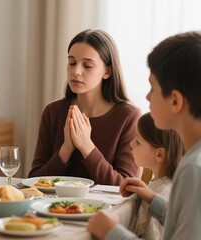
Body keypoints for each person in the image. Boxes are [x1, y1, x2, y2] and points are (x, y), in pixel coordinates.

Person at [87, 31, 201, 240]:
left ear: (175, 101)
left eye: (153, 88)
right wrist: (152, 198)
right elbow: (190, 221)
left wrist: (111, 233)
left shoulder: (196, 169)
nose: (147, 96)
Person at [28, 29, 141, 185]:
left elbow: (127, 187)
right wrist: (66, 149)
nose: (76, 71)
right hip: (54, 208)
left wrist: (86, 147)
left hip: (107, 209)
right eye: (72, 62)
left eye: (87, 65)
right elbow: (33, 180)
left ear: (107, 71)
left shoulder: (128, 116)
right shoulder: (53, 112)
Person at [109, 112, 183, 239]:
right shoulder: (159, 185)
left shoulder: (164, 192)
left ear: (159, 154)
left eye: (138, 141)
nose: (131, 144)